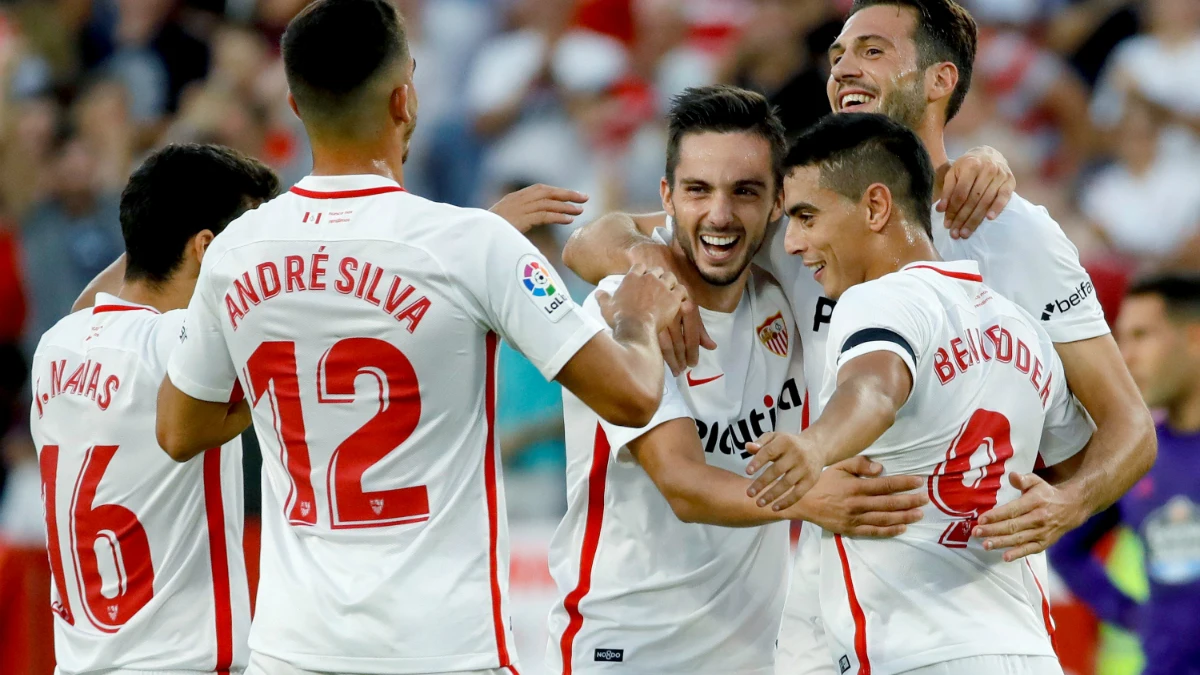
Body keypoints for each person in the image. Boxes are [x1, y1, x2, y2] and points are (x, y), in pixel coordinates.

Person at [560, 2, 1154, 670]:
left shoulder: (1017, 236)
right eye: (838, 52)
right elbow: (596, 240)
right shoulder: (804, 212)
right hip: (823, 600)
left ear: (939, 80)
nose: (842, 66)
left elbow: (1128, 425)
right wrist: (656, 279)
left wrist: (1068, 504)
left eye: (871, 50)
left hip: (959, 601)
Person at [153, 1, 686, 674]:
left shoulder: (237, 251)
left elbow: (178, 428)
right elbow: (633, 396)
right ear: (405, 97)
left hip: (292, 648)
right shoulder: (468, 247)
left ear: (294, 103)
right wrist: (635, 311)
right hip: (443, 648)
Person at [546, 86, 927, 675]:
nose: (720, 215)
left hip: (756, 655)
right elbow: (682, 483)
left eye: (745, 192)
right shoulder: (620, 311)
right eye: (698, 190)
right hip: (627, 651)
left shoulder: (788, 287)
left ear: (778, 203)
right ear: (667, 196)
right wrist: (812, 497)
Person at [750, 111, 1091, 675]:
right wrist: (1065, 506)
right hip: (1028, 650)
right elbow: (1077, 462)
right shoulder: (1019, 327)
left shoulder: (876, 301)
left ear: (876, 207)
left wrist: (815, 446)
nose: (792, 243)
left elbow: (875, 388)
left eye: (806, 217)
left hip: (913, 652)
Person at [30, 143, 279, 675]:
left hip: (80, 660)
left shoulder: (56, 342)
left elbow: (92, 303)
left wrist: (155, 212)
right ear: (207, 249)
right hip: (179, 662)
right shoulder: (183, 347)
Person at [1051, 275, 1200, 675]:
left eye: (1142, 336)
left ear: (1194, 338)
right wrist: (1135, 615)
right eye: (1122, 339)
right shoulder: (1139, 457)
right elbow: (1066, 548)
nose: (1126, 357)